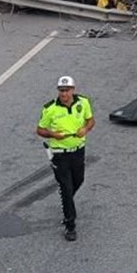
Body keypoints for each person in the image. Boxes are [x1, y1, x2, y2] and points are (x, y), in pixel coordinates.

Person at [36, 75, 95, 241]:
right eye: (61, 91)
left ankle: (67, 201)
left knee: (79, 180)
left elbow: (91, 121)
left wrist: (85, 129)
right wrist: (53, 134)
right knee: (66, 188)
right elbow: (40, 130)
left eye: (67, 90)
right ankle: (70, 224)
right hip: (59, 153)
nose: (64, 94)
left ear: (73, 90)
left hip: (78, 150)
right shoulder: (50, 109)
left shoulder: (83, 103)